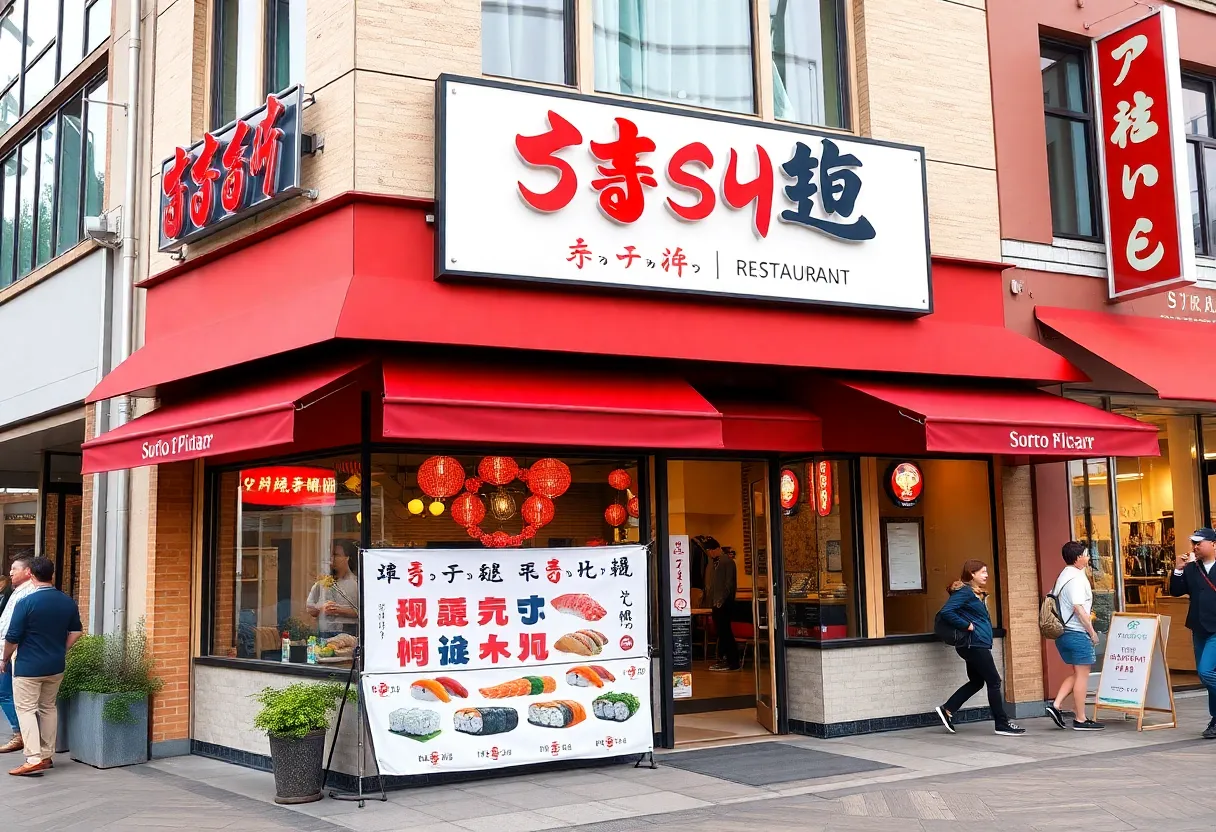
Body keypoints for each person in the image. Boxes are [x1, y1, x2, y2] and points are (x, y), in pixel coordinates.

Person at [2, 556, 82, 776]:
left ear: (32, 574)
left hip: (29, 666)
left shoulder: (26, 602)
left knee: (26, 709)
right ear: (52, 574)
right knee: (48, 708)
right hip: (55, 665)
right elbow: (76, 631)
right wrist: (61, 649)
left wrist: (5, 658)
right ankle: (46, 755)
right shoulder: (67, 601)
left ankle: (33, 758)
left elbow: (13, 636)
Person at [935, 559, 1024, 736]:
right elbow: (946, 612)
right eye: (983, 572)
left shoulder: (974, 593)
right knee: (994, 681)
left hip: (975, 643)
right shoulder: (965, 592)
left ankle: (947, 709)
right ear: (972, 574)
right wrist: (966, 625)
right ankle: (1002, 723)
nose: (986, 575)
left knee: (977, 681)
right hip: (973, 644)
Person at [1044, 541, 1104, 731]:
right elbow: (1078, 608)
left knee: (1078, 673)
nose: (1088, 557)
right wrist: (1092, 632)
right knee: (1083, 675)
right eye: (1086, 554)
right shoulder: (1077, 579)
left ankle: (1055, 705)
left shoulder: (1062, 576)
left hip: (1063, 633)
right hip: (1076, 632)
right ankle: (1080, 718)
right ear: (1078, 558)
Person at [1170, 528, 1216, 739]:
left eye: (1199, 543)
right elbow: (1176, 591)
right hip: (1198, 628)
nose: (1195, 547)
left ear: (1213, 544)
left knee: (1207, 672)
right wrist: (1178, 570)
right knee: (1205, 676)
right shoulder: (1191, 568)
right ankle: (1215, 720)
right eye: (1193, 543)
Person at [0, 558, 36, 755]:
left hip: (15, 653)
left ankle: (20, 734)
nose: (10, 572)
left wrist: (4, 657)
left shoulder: (27, 593)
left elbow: (13, 629)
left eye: (15, 569)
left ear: (28, 571)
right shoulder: (17, 592)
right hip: (11, 652)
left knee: (5, 693)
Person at [306, 540, 360, 637]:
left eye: (337, 555)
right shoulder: (322, 583)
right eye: (331, 555)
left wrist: (339, 610)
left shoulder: (357, 583)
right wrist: (322, 609)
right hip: (325, 630)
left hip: (349, 631)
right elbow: (309, 607)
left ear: (347, 557)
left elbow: (363, 612)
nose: (332, 559)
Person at [704, 537, 740, 672]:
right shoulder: (713, 563)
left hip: (725, 602)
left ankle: (732, 661)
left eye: (711, 550)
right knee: (720, 631)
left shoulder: (727, 562)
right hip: (715, 601)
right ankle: (723, 658)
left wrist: (721, 600)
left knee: (725, 632)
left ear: (717, 549)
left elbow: (729, 584)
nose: (710, 553)